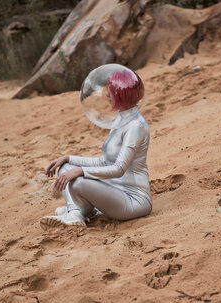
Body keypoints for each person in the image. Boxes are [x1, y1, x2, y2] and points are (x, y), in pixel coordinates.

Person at [40, 69, 151, 229]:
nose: (107, 95)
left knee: (78, 181)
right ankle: (78, 211)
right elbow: (104, 161)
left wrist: (81, 171)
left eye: (111, 91)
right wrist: (69, 159)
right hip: (114, 188)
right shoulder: (121, 120)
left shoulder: (136, 126)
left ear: (123, 93)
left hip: (132, 200)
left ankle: (77, 211)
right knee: (65, 168)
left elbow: (119, 168)